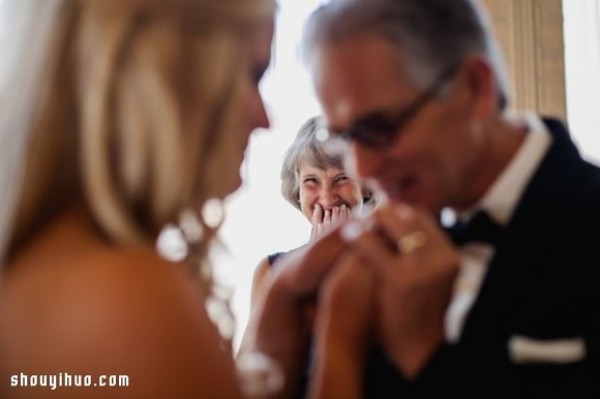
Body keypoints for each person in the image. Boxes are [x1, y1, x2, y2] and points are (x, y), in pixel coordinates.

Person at [0, 1, 365, 398]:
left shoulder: (56, 261)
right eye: (251, 74)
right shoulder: (128, 297)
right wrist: (343, 335)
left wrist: (277, 308)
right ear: (170, 78)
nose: (265, 118)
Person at [292, 0, 600, 396]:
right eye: (346, 137)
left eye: (381, 128)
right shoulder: (373, 254)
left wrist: (428, 356)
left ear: (476, 88)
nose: (362, 170)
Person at [248, 115, 374, 302]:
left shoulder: (397, 263)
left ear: (364, 185)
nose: (327, 197)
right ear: (297, 190)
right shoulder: (271, 271)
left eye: (341, 178)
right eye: (312, 181)